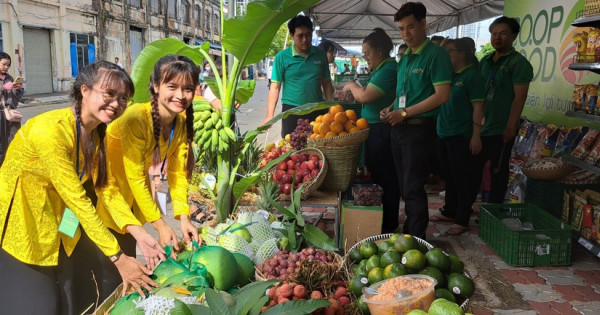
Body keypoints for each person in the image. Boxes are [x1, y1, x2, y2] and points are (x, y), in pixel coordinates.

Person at [0, 61, 160, 314]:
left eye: (123, 98)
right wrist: (118, 257)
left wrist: (139, 232)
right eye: (109, 93)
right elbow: (77, 199)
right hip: (23, 229)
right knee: (38, 306)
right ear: (84, 90)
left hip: (62, 229)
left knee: (70, 303)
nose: (116, 103)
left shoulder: (95, 134)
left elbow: (105, 190)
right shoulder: (50, 131)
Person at [380, 2, 452, 239]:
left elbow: (442, 95)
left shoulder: (436, 55)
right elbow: (404, 95)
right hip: (399, 128)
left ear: (423, 24)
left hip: (420, 130)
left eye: (410, 27)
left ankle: (417, 238)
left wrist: (405, 113)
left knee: (413, 187)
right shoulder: (406, 57)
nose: (406, 34)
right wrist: (391, 108)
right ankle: (409, 231)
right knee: (404, 185)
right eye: (401, 29)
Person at [343, 28, 400, 233]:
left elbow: (366, 96)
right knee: (379, 176)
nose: (365, 57)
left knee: (386, 178)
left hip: (382, 131)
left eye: (367, 53)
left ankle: (389, 223)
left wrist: (351, 85)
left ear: (380, 50)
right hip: (375, 129)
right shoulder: (381, 69)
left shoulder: (388, 69)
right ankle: (383, 220)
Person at [432, 38, 485, 235]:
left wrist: (476, 135)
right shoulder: (450, 76)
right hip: (444, 132)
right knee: (449, 176)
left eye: (450, 51)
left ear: (463, 53)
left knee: (464, 179)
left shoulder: (472, 76)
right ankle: (450, 210)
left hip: (461, 135)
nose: (446, 55)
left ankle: (462, 218)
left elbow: (478, 106)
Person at [480, 16, 533, 203]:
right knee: (475, 169)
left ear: (514, 36)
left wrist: (510, 127)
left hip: (501, 127)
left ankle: (493, 210)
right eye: (494, 33)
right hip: (480, 126)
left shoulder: (519, 63)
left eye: (503, 33)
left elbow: (520, 97)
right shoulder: (485, 61)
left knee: (498, 170)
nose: (497, 37)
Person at [262, 15, 333, 137]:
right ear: (291, 35)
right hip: (291, 111)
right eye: (300, 36)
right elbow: (275, 87)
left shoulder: (320, 55)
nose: (305, 39)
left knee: (316, 148)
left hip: (317, 109)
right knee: (292, 148)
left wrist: (331, 108)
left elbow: (326, 84)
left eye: (308, 35)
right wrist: (269, 116)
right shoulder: (282, 57)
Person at [0, 52, 23, 167]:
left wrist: (17, 89)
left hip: (11, 112)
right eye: (4, 64)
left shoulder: (9, 78)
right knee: (1, 144)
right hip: (1, 114)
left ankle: (11, 166)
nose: (6, 67)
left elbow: (14, 99)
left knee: (14, 140)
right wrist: (3, 87)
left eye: (8, 65)